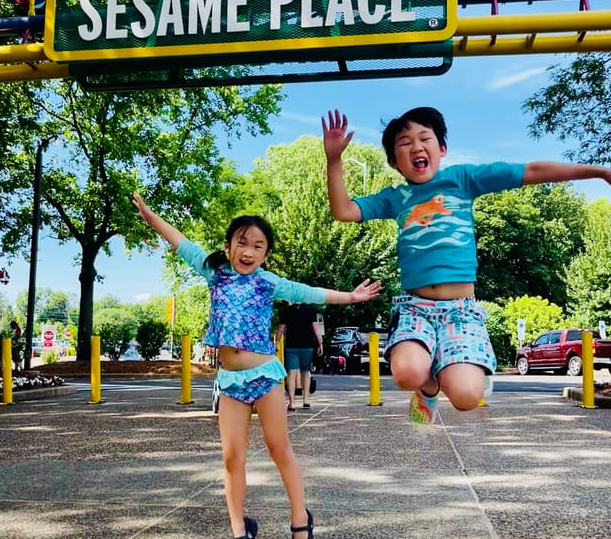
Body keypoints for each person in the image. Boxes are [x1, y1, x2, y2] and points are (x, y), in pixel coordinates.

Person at [322, 106, 611, 424]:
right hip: (415, 307)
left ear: (441, 148)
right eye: (405, 143)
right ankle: (428, 386)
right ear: (393, 161)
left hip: (461, 310)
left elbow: (532, 171)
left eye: (424, 138)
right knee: (406, 373)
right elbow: (344, 210)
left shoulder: (463, 179)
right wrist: (334, 159)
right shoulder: (396, 197)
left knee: (466, 398)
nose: (416, 147)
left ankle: (459, 374)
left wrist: (596, 172)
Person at [133, 192, 382, 539]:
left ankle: (300, 519)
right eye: (242, 243)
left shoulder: (268, 282)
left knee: (279, 447)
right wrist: (149, 215)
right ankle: (239, 528)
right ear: (229, 244)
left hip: (265, 376)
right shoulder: (214, 272)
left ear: (265, 253)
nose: (248, 251)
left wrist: (351, 297)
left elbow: (310, 292)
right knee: (232, 458)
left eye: (258, 246)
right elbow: (180, 240)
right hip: (231, 381)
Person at [276, 302, 323, 411]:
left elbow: (281, 329)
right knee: (305, 372)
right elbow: (316, 329)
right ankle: (306, 400)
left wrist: (276, 343)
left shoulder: (286, 311)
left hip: (291, 346)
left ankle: (292, 403)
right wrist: (320, 344)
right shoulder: (310, 310)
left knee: (291, 373)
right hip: (307, 346)